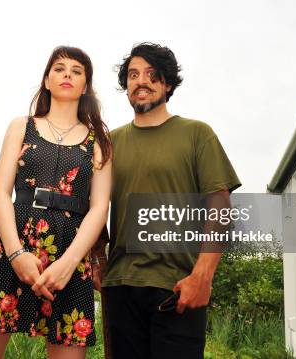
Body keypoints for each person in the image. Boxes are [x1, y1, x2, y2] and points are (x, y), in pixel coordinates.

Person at [0, 46, 112, 359]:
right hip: (11, 244)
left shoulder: (99, 139)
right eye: (59, 68)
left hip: (70, 255)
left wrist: (68, 264)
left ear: (85, 86)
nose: (67, 74)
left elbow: (99, 208)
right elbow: (1, 193)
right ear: (46, 80)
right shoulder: (21, 125)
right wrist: (16, 254)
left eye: (76, 70)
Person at [98, 43, 241, 358]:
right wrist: (97, 263)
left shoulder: (196, 134)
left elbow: (220, 208)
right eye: (133, 75)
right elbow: (95, 209)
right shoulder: (110, 142)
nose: (141, 81)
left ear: (168, 83)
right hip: (121, 287)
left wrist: (202, 277)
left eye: (151, 74)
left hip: (178, 288)